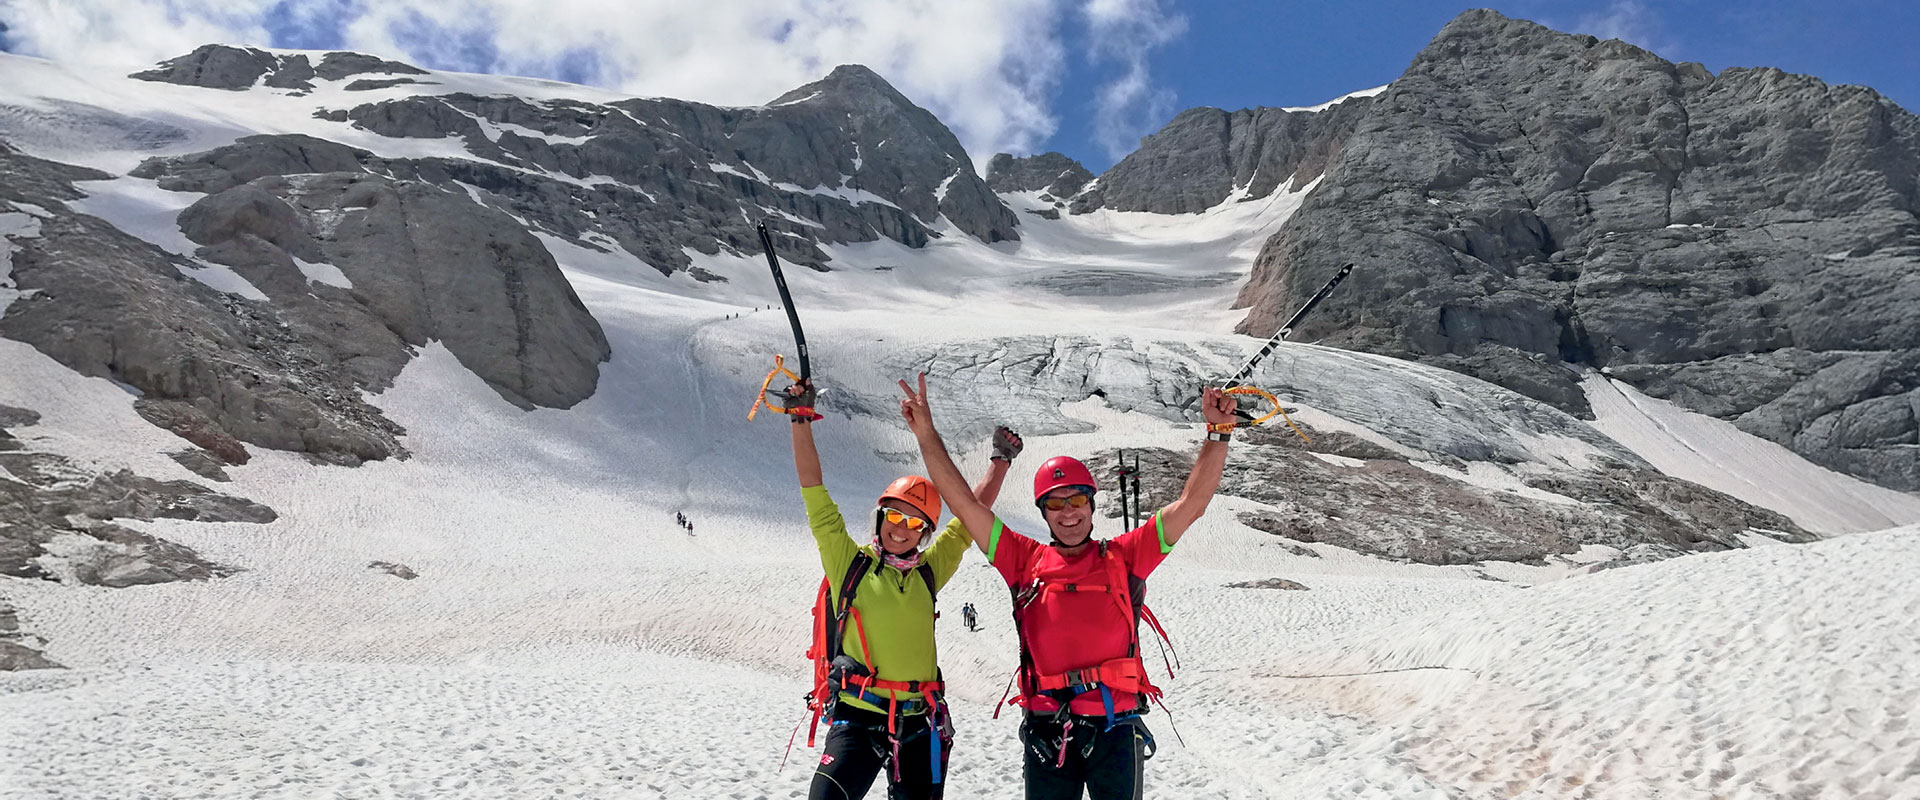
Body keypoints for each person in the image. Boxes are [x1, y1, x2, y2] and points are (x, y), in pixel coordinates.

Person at [897, 373, 1235, 800]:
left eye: (1076, 500)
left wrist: (1218, 434)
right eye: (1055, 503)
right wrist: (927, 434)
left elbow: (1192, 504)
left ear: (1092, 505)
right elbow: (963, 502)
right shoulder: (1023, 560)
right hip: (1047, 730)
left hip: (1115, 729)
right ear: (1043, 512)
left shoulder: (1126, 556)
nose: (1068, 512)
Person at [788, 377, 1023, 800]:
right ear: (880, 516)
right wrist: (801, 420)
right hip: (858, 717)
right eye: (895, 516)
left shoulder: (928, 573)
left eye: (915, 523)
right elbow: (815, 497)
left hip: (919, 722)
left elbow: (970, 517)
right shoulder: (851, 564)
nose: (901, 529)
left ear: (925, 534)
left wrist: (1000, 460)